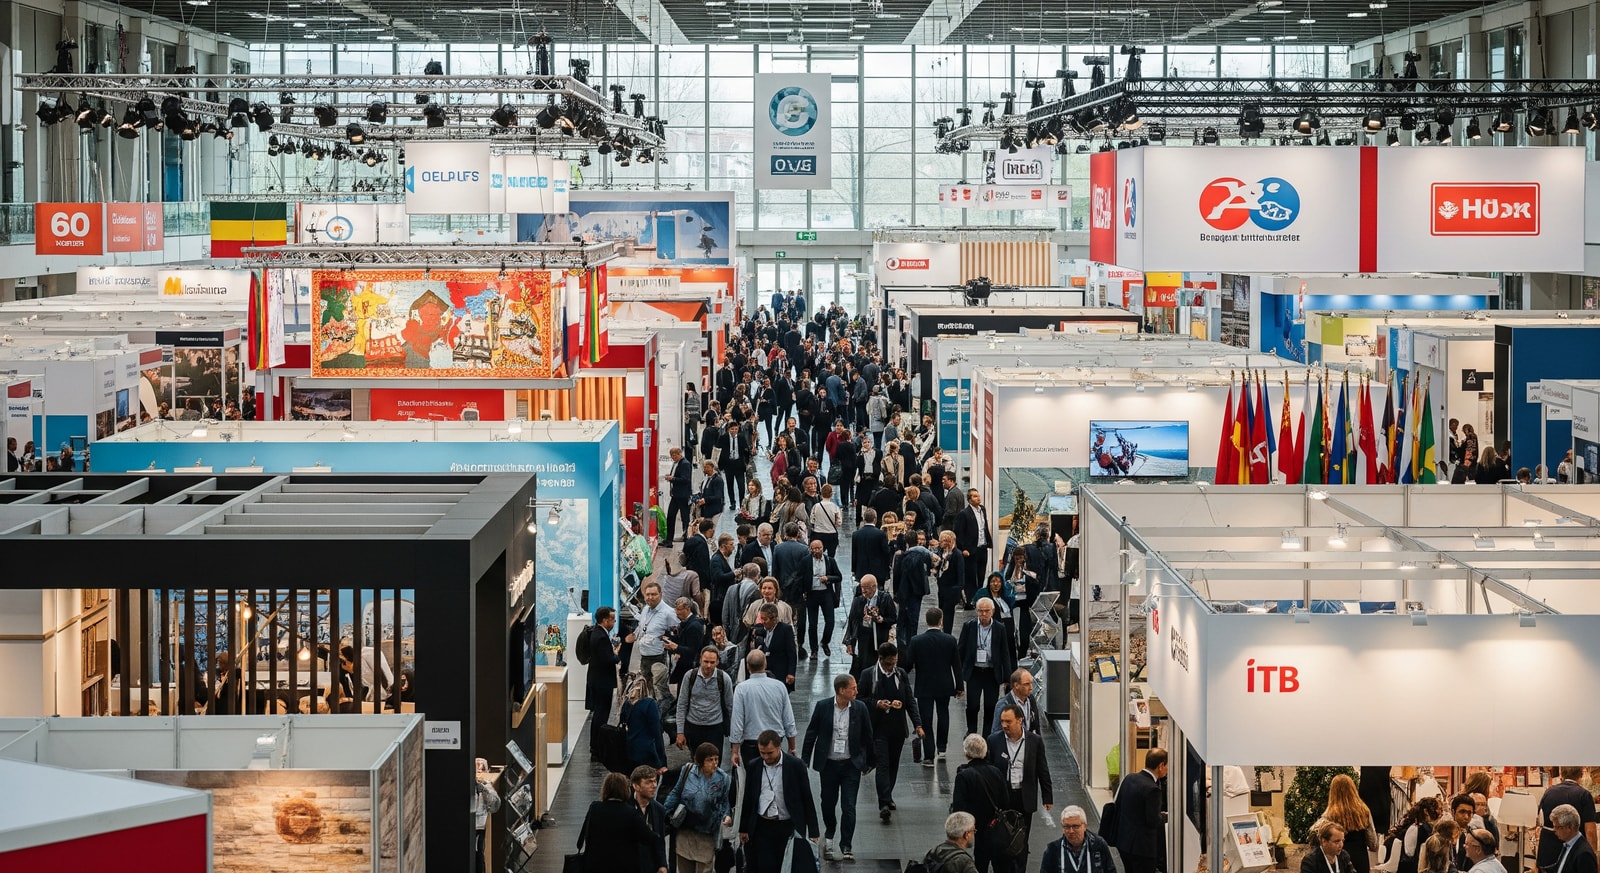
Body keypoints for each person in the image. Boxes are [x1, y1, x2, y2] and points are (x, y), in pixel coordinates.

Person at [803, 673, 876, 862]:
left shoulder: (860, 708)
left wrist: (870, 761)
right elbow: (811, 733)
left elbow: (868, 735)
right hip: (829, 765)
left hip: (851, 765)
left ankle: (846, 845)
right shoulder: (823, 707)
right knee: (827, 803)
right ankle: (829, 834)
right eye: (853, 688)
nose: (856, 691)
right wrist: (804, 759)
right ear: (842, 690)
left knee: (849, 806)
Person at [738, 729, 821, 873]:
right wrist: (743, 828)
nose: (765, 757)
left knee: (788, 866)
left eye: (769, 753)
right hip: (762, 826)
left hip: (788, 826)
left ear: (779, 747)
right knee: (766, 867)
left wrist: (813, 831)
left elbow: (807, 797)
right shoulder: (754, 766)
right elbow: (749, 798)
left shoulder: (796, 766)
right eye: (762, 753)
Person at [859, 641, 923, 822]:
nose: (891, 666)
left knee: (893, 764)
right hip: (878, 728)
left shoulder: (900, 674)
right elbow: (860, 699)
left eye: (894, 662)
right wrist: (876, 703)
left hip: (897, 728)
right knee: (883, 764)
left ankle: (888, 795)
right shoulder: (868, 675)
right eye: (888, 663)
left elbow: (910, 701)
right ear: (880, 659)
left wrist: (917, 724)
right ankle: (883, 803)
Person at [986, 703, 1052, 873]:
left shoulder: (1034, 741)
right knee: (1002, 837)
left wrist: (1047, 797)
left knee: (1021, 839)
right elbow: (989, 770)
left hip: (1024, 797)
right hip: (1003, 797)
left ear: (1020, 720)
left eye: (1008, 721)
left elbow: (1042, 769)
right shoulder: (994, 740)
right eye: (1002, 721)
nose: (1004, 725)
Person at [662, 743, 734, 873]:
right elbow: (676, 792)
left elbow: (724, 801)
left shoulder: (723, 778)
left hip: (707, 833)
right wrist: (664, 811)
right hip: (685, 830)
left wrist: (726, 816)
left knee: (705, 869)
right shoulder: (687, 770)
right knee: (684, 868)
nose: (714, 763)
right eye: (709, 760)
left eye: (716, 759)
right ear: (700, 761)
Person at [578, 772, 669, 873]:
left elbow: (586, 834)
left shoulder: (594, 808)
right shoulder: (630, 813)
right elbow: (648, 837)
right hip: (623, 866)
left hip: (596, 864)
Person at [905, 606, 963, 764]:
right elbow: (956, 666)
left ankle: (929, 755)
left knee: (926, 719)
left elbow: (908, 664)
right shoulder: (950, 640)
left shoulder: (916, 641)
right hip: (944, 685)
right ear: (940, 621)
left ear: (926, 620)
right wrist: (959, 686)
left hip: (924, 686)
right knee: (944, 715)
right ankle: (942, 748)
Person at [727, 650, 797, 768]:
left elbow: (737, 722)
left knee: (754, 780)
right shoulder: (779, 686)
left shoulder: (741, 689)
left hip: (751, 743)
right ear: (765, 664)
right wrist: (792, 746)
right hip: (775, 741)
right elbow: (788, 719)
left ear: (748, 666)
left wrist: (735, 751)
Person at [951, 733, 1008, 873]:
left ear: (967, 754)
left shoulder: (964, 776)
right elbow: (1005, 800)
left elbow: (959, 808)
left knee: (980, 863)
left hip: (977, 828)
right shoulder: (996, 772)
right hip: (996, 827)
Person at [959, 598, 1016, 736]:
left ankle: (987, 734)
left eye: (986, 611)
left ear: (993, 611)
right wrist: (959, 675)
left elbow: (1005, 653)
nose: (983, 614)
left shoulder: (999, 628)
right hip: (975, 672)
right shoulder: (969, 626)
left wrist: (1007, 677)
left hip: (992, 672)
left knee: (991, 706)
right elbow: (961, 649)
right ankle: (972, 731)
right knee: (972, 705)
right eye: (980, 611)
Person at [1114, 747, 1170, 873]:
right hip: (1142, 849)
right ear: (1161, 765)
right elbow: (1153, 821)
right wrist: (1167, 816)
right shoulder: (1153, 789)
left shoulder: (1129, 778)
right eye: (1167, 766)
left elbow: (1119, 805)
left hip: (1123, 842)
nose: (1167, 770)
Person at [676, 645, 735, 758]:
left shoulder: (724, 678)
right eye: (706, 661)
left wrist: (734, 735)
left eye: (712, 662)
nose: (708, 665)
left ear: (717, 662)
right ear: (700, 660)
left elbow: (730, 706)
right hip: (694, 727)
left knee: (714, 763)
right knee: (698, 762)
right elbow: (682, 704)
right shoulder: (689, 676)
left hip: (715, 728)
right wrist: (680, 732)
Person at [629, 581, 680, 705]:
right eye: (647, 595)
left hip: (659, 657)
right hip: (644, 656)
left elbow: (678, 632)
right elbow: (642, 627)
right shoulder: (646, 609)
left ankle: (664, 714)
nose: (650, 597)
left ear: (660, 595)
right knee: (646, 688)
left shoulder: (668, 613)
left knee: (660, 691)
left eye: (653, 594)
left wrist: (673, 645)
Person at [1540, 768, 1600, 870]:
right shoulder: (1584, 795)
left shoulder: (1548, 793)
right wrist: (1593, 858)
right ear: (1581, 775)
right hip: (1575, 855)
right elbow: (1590, 831)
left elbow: (1541, 824)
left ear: (1561, 774)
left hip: (1548, 852)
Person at [1320, 773, 1378, 873]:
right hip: (1361, 860)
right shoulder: (1364, 812)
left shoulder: (1328, 815)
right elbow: (1373, 844)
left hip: (1338, 861)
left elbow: (1323, 844)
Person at [842, 573, 896, 677]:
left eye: (866, 587)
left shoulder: (885, 598)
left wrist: (881, 619)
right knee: (861, 667)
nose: (863, 590)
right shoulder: (858, 600)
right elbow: (852, 621)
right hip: (863, 639)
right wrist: (849, 642)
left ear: (874, 587)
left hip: (879, 638)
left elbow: (893, 618)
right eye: (862, 587)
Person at [584, 607, 622, 752]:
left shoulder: (597, 633)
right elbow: (607, 659)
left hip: (598, 680)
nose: (614, 622)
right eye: (613, 619)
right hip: (601, 682)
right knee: (601, 714)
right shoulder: (600, 637)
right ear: (605, 620)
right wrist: (617, 655)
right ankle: (596, 746)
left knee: (600, 713)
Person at [1040, 806, 1117, 873]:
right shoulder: (1053, 850)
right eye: (1066, 826)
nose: (1071, 831)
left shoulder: (1098, 845)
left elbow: (1110, 870)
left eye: (1075, 826)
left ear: (1085, 826)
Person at [802, 538, 843, 658]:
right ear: (810, 549)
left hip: (826, 594)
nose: (817, 550)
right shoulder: (806, 561)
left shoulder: (830, 561)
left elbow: (838, 577)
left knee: (830, 621)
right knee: (812, 624)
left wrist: (828, 578)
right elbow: (801, 577)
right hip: (812, 594)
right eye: (814, 548)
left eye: (819, 548)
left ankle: (825, 641)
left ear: (822, 548)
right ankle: (814, 650)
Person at [621, 674, 668, 774]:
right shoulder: (650, 704)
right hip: (647, 751)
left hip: (630, 749)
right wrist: (662, 761)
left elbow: (622, 721)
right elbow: (656, 732)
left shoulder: (627, 704)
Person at [953, 489, 992, 605]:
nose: (978, 498)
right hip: (971, 549)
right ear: (969, 499)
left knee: (981, 574)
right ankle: (969, 599)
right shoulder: (964, 513)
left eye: (978, 496)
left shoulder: (982, 510)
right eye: (975, 496)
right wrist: (963, 548)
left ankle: (979, 598)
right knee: (971, 576)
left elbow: (983, 527)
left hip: (982, 547)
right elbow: (959, 532)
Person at [630, 765, 671, 871]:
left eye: (655, 781)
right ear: (636, 786)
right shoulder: (626, 807)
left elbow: (660, 840)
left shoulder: (659, 809)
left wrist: (662, 865)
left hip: (650, 865)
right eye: (648, 782)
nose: (654, 785)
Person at [749, 603, 798, 691]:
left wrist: (791, 673)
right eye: (761, 618)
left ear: (774, 619)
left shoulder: (785, 630)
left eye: (765, 619)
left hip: (780, 672)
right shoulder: (759, 629)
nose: (763, 622)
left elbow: (792, 653)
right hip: (764, 672)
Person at [1388, 796, 1442, 873]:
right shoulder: (1424, 829)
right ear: (1426, 811)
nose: (1440, 813)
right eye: (1437, 809)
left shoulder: (1414, 826)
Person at [1545, 804, 1598, 873]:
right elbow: (1559, 868)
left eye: (1558, 827)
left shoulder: (1584, 854)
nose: (1554, 830)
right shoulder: (1568, 845)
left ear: (1570, 827)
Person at [934, 530, 968, 634]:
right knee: (942, 612)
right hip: (942, 588)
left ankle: (947, 634)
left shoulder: (957, 555)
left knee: (948, 615)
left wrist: (957, 589)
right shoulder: (942, 553)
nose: (940, 542)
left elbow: (961, 575)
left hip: (952, 589)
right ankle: (943, 631)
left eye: (943, 540)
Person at [988, 669, 1040, 737]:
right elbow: (995, 734)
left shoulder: (1031, 699)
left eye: (1031, 683)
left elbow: (1036, 726)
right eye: (1027, 684)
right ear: (1016, 685)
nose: (1031, 687)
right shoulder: (1003, 705)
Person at [851, 507, 893, 589]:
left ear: (864, 519)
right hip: (878, 571)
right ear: (875, 519)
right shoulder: (881, 534)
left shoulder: (856, 534)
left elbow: (854, 553)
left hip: (861, 570)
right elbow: (885, 553)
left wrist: (854, 570)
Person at [470, 763, 500, 873]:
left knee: (478, 854)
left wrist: (484, 789)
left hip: (478, 826)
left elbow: (495, 805)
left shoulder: (483, 786)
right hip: (472, 826)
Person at [664, 446, 694, 545]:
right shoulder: (676, 463)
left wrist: (672, 479)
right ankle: (669, 540)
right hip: (676, 495)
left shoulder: (685, 464)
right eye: (671, 456)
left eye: (674, 455)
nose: (672, 457)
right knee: (671, 516)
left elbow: (686, 479)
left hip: (683, 495)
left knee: (685, 517)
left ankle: (687, 537)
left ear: (679, 454)